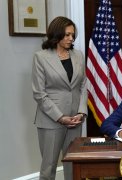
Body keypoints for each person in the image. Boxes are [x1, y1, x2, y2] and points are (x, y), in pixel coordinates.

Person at [32, 16, 87, 180]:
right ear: (56, 35)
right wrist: (60, 117)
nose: (71, 38)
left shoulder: (78, 55)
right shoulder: (40, 57)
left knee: (73, 165)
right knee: (49, 167)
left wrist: (81, 112)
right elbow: (39, 94)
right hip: (51, 120)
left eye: (73, 35)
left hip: (75, 120)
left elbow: (83, 85)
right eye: (67, 35)